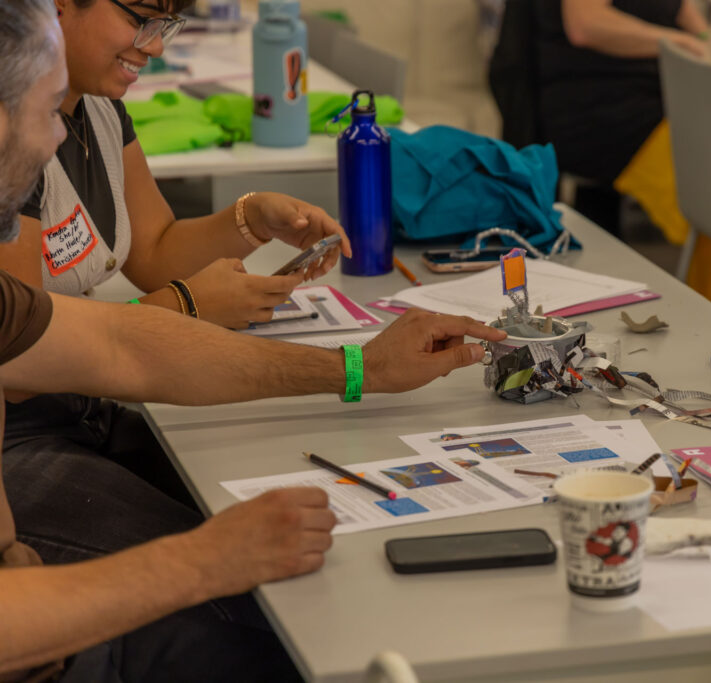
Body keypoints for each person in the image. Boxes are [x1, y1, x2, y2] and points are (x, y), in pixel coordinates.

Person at [0, 2, 507, 678]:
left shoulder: (77, 128)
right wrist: (209, 559)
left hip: (64, 434)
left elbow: (127, 340)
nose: (60, 139)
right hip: (35, 451)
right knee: (253, 627)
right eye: (48, 113)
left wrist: (359, 366)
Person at [0, 0, 350, 566]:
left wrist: (250, 218)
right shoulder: (15, 143)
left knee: (237, 499)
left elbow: (154, 247)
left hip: (80, 406)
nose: (155, 45)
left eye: (164, 25)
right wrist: (185, 305)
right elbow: (19, 363)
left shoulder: (98, 110)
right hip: (22, 434)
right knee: (224, 561)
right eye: (140, 18)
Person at [533, 0, 708, 232]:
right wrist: (683, 43)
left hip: (654, 103)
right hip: (603, 111)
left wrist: (708, 38)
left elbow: (681, 9)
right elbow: (584, 25)